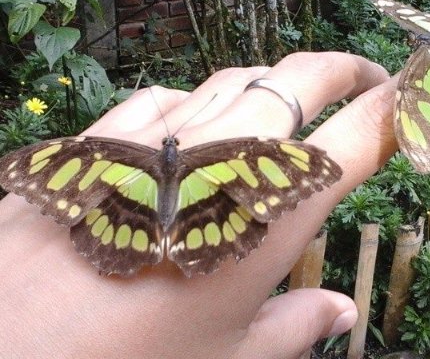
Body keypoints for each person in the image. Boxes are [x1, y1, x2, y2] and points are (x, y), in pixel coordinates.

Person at [0, 52, 397, 359]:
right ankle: (169, 247)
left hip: (129, 214)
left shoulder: (105, 156)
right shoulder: (235, 156)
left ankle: (145, 246)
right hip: (203, 212)